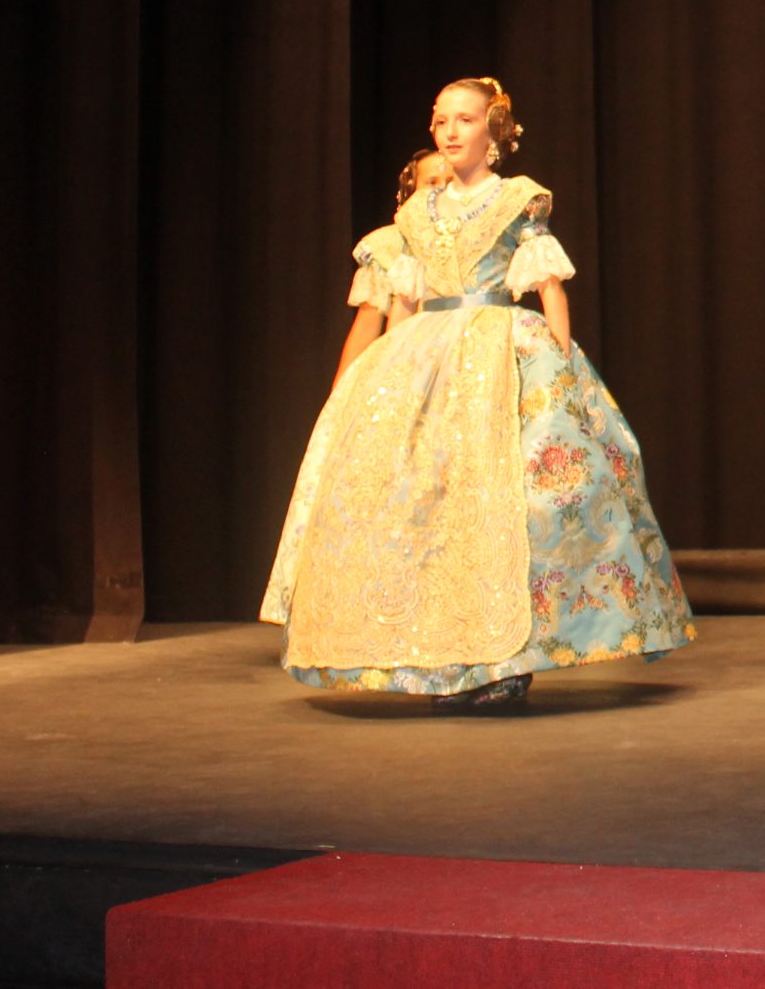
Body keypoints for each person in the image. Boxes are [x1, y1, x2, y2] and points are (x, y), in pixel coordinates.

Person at [263, 77, 693, 707]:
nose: (450, 131)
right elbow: (405, 301)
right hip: (427, 356)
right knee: (426, 509)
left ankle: (509, 661)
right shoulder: (415, 214)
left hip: (501, 347)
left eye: (464, 120)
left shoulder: (518, 199)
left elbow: (548, 289)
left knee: (526, 502)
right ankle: (446, 661)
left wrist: (563, 363)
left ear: (493, 131)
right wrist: (386, 384)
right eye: (441, 120)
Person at [331, 148, 450, 387]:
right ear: (411, 190)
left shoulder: (477, 241)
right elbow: (366, 328)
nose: (442, 190)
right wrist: (339, 396)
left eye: (451, 182)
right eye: (432, 182)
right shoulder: (388, 246)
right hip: (407, 370)